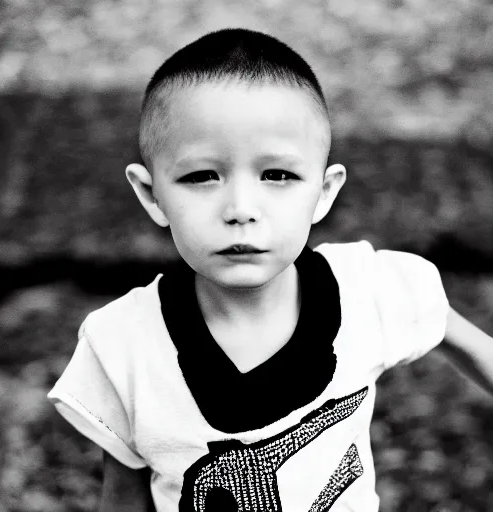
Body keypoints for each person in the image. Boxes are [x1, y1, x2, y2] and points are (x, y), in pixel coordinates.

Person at [47, 28, 493, 512]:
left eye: (277, 175)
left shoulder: (371, 289)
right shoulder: (121, 344)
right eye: (201, 176)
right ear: (152, 194)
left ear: (323, 192)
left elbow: (468, 343)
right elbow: (123, 496)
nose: (241, 208)